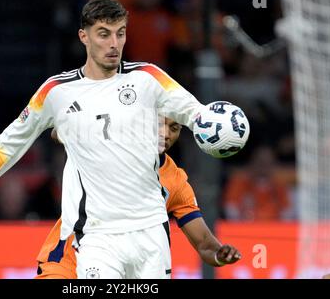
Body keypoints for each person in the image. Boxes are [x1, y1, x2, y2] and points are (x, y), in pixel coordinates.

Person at [0, 0, 215, 279]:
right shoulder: (57, 91)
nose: (114, 44)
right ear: (84, 36)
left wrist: (215, 125)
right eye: (103, 34)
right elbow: (9, 143)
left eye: (120, 33)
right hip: (97, 236)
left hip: (150, 234)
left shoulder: (148, 77)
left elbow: (196, 114)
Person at [36, 118, 241, 278]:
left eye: (174, 128)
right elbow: (57, 133)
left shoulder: (175, 182)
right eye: (158, 123)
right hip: (66, 263)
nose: (165, 134)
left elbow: (204, 242)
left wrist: (219, 254)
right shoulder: (108, 147)